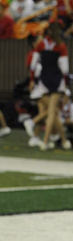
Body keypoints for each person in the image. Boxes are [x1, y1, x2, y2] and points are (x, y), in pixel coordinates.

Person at [25, 21, 71, 150]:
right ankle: (46, 141)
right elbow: (65, 69)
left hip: (44, 79)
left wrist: (32, 80)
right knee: (52, 112)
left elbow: (33, 65)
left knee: (53, 112)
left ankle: (62, 140)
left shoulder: (41, 44)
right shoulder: (61, 45)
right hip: (56, 79)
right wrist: (66, 86)